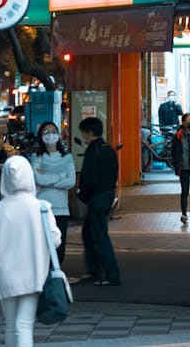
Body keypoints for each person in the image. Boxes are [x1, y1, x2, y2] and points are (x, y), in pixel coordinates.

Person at [0, 156, 60, 347]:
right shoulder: (42, 208)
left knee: (10, 324)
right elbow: (55, 240)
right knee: (24, 324)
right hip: (33, 275)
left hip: (6, 275)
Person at [76, 117, 121, 286]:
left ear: (88, 132)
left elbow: (89, 177)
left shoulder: (93, 150)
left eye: (84, 132)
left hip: (96, 198)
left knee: (99, 236)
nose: (83, 135)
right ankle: (94, 271)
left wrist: (83, 195)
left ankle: (111, 275)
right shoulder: (108, 149)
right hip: (107, 195)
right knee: (89, 233)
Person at [31, 121, 76, 265]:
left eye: (53, 131)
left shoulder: (67, 157)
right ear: (41, 136)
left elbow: (71, 182)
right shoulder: (36, 156)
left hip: (62, 209)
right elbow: (37, 179)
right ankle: (44, 277)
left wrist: (47, 178)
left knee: (59, 248)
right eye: (46, 132)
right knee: (42, 247)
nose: (50, 135)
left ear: (59, 134)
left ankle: (56, 275)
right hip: (42, 208)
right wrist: (60, 177)